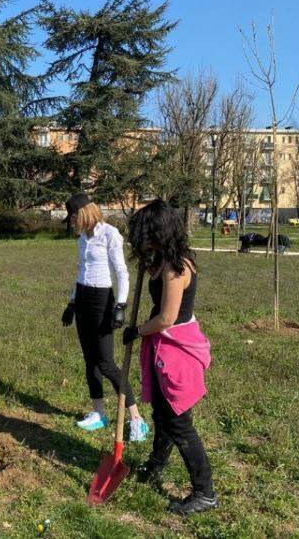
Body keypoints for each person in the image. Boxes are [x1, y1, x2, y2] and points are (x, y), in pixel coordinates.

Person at [123, 199, 218, 515]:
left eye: (147, 234)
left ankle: (205, 491)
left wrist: (137, 331)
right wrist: (149, 266)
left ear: (160, 232)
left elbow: (166, 317)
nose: (143, 240)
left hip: (177, 350)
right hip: (163, 348)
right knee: (162, 415)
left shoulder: (177, 268)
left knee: (178, 422)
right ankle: (156, 464)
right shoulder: (164, 260)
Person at [61, 193, 149, 440]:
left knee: (106, 363)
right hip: (83, 300)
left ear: (83, 213)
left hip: (102, 301)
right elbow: (81, 271)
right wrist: (71, 302)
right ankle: (99, 413)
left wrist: (120, 304)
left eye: (73, 217)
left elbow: (122, 272)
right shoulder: (82, 238)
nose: (71, 222)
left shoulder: (110, 234)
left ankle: (136, 419)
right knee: (90, 361)